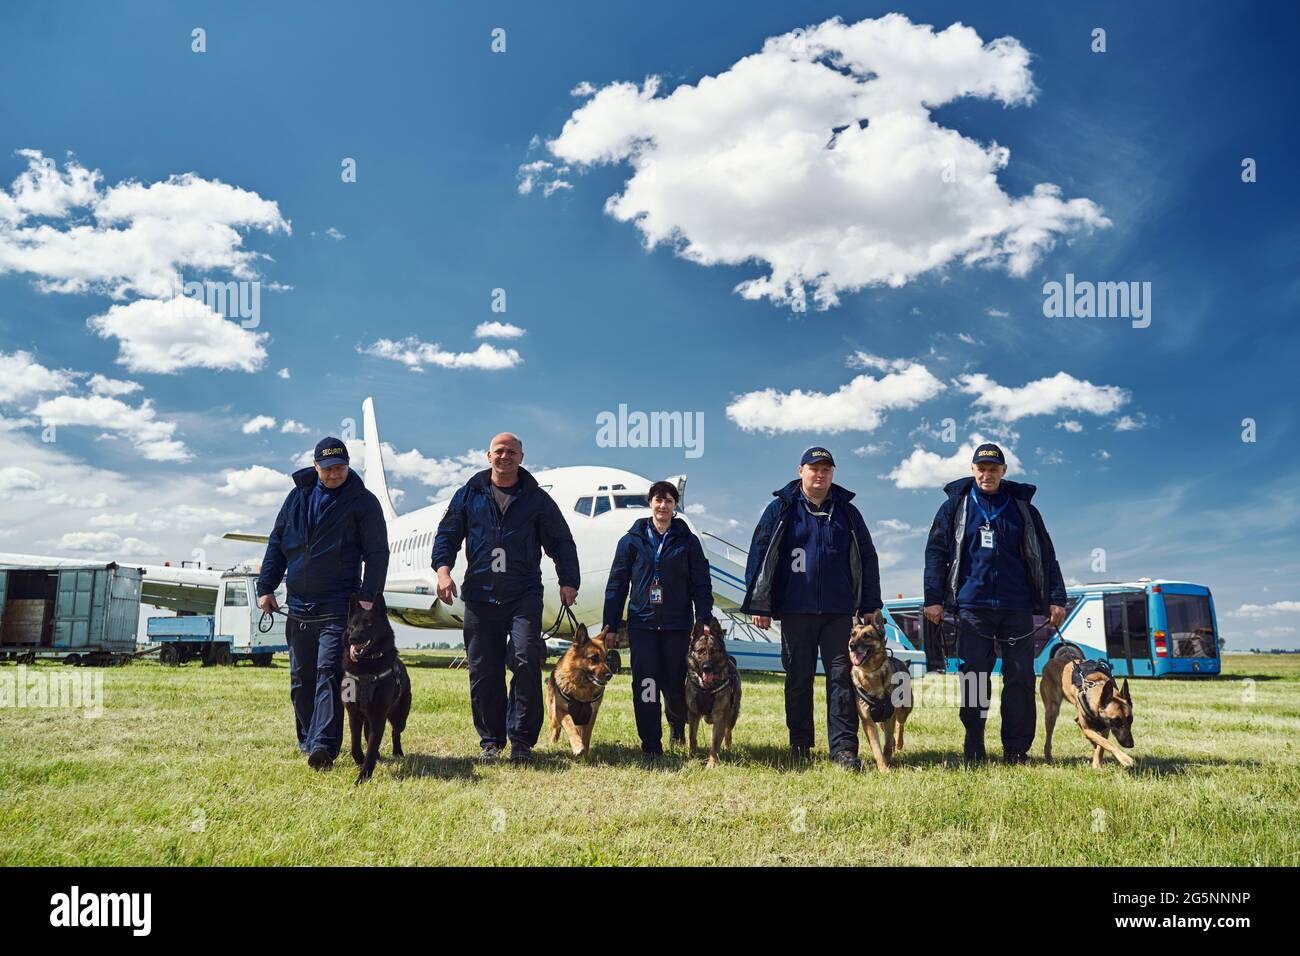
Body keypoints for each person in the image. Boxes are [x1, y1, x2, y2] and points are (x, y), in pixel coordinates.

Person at [431, 432, 580, 763]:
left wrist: (569, 580)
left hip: (523, 594)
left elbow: (562, 541)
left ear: (521, 458)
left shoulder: (537, 500)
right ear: (488, 456)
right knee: (484, 669)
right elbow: (447, 535)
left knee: (526, 658)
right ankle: (491, 740)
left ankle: (522, 741)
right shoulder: (469, 494)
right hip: (480, 596)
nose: (505, 456)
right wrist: (443, 571)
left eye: (512, 452)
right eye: (499, 451)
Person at [922, 443, 1068, 765]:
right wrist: (934, 599)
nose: (987, 474)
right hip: (972, 607)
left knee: (1019, 677)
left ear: (1003, 471)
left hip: (1017, 607)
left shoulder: (1023, 509)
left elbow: (1046, 556)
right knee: (975, 676)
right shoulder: (955, 507)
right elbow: (936, 554)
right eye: (981, 468)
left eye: (993, 469)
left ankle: (1017, 750)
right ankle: (974, 743)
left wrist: (1056, 598)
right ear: (973, 470)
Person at [740, 447, 882, 770]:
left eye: (826, 470)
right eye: (814, 469)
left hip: (838, 612)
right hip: (795, 611)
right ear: (800, 470)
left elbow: (868, 558)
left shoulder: (848, 513)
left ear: (833, 474)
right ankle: (800, 745)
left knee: (841, 680)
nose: (820, 475)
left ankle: (844, 750)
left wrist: (870, 603)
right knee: (798, 679)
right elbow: (760, 555)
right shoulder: (781, 510)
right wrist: (760, 603)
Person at [256, 437, 389, 770]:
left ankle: (324, 747)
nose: (335, 474)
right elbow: (277, 542)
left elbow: (377, 552)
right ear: (315, 466)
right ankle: (307, 739)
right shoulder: (297, 497)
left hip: (338, 603)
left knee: (330, 672)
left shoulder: (363, 502)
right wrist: (266, 586)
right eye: (328, 469)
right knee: (301, 678)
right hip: (298, 602)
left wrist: (369, 594)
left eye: (341, 467)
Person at [603, 480, 714, 756]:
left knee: (676, 683)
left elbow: (701, 583)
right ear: (650, 503)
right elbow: (617, 584)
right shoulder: (631, 541)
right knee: (646, 684)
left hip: (677, 625)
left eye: (668, 501)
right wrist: (611, 624)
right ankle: (651, 743)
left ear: (674, 506)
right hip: (643, 625)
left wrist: (704, 618)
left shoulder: (688, 542)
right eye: (658, 500)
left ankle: (677, 725)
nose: (663, 505)